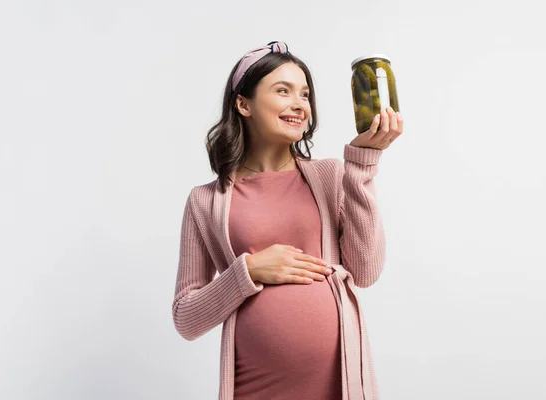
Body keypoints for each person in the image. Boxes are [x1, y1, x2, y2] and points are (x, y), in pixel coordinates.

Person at [172, 41, 404, 400]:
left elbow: (367, 270)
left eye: (305, 94)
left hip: (337, 389)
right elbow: (186, 319)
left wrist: (362, 164)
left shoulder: (330, 176)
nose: (299, 105)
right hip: (253, 390)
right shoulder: (205, 201)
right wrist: (248, 270)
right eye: (283, 91)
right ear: (243, 103)